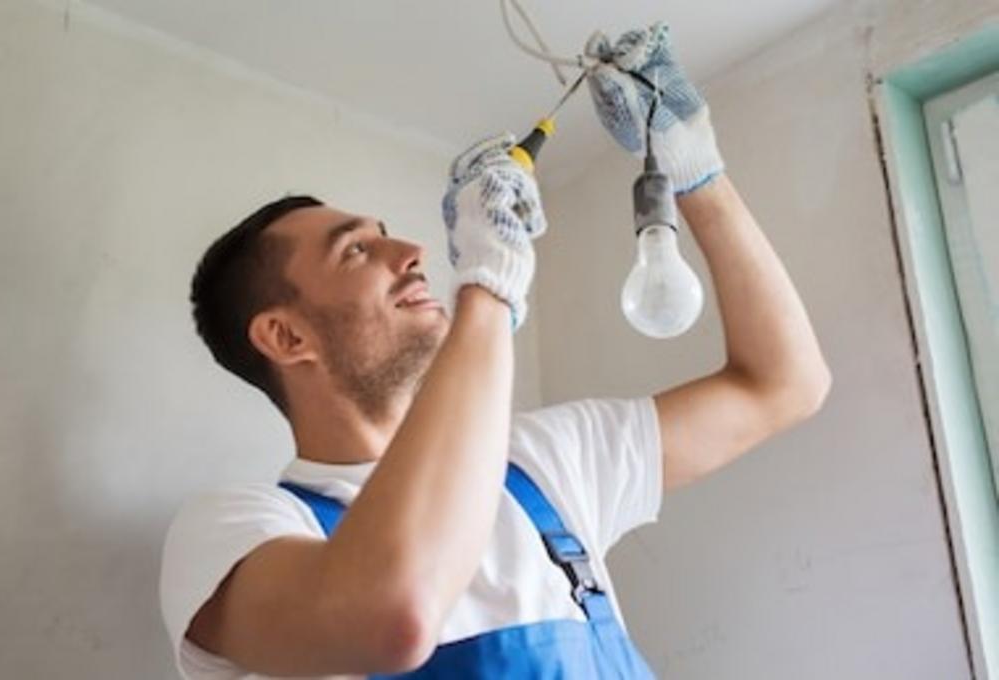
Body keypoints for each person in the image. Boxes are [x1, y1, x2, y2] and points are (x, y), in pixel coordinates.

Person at [159, 24, 831, 680]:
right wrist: (490, 287)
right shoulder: (236, 533)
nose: (412, 252)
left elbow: (785, 383)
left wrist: (691, 166)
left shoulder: (545, 463)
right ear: (285, 337)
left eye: (388, 234)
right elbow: (394, 613)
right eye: (357, 250)